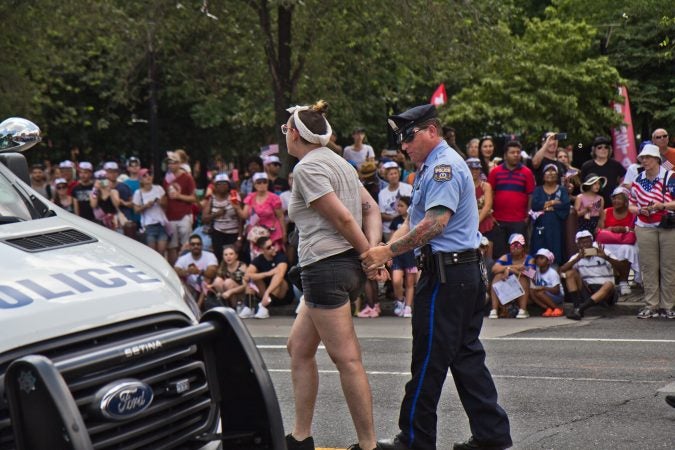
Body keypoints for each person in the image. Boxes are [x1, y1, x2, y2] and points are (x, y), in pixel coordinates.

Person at [362, 104, 511, 450]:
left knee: (428, 360)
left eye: (408, 138)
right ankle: (492, 435)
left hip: (448, 276)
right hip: (461, 273)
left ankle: (414, 439)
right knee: (465, 356)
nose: (404, 147)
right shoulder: (432, 166)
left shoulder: (442, 166)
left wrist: (387, 252)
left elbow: (435, 223)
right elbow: (413, 223)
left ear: (431, 131)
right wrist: (388, 248)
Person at [283, 100, 384, 450]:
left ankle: (368, 445)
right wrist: (370, 251)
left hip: (326, 267)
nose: (285, 135)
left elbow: (343, 218)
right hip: (341, 267)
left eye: (286, 130)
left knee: (347, 359)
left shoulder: (308, 168)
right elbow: (371, 209)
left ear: (295, 133)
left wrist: (369, 254)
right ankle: (299, 437)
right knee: (298, 347)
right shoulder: (340, 163)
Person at [628, 144, 675, 319]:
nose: (644, 160)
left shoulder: (671, 177)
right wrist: (639, 210)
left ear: (656, 159)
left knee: (669, 266)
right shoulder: (638, 179)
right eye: (642, 158)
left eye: (648, 157)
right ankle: (652, 304)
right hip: (644, 226)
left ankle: (668, 305)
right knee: (648, 267)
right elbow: (631, 204)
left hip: (668, 226)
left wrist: (663, 205)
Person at [488, 140, 536, 259]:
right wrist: (491, 215)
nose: (516, 155)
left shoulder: (527, 172)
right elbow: (489, 194)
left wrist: (527, 217)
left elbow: (531, 195)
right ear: (505, 155)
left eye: (518, 152)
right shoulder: (495, 172)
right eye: (512, 152)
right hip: (498, 221)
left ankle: (520, 277)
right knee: (499, 255)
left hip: (519, 221)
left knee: (519, 255)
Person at [559, 230, 622, 320]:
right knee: (570, 273)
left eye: (588, 242)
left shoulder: (603, 252)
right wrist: (577, 259)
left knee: (608, 284)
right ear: (578, 245)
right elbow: (561, 270)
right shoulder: (577, 257)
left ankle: (581, 309)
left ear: (592, 243)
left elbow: (621, 267)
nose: (586, 245)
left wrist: (606, 258)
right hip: (588, 290)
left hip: (607, 293)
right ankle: (576, 307)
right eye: (582, 243)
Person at [596, 186, 637, 296]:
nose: (616, 201)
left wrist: (624, 229)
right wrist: (609, 230)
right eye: (614, 198)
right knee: (598, 248)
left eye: (619, 198)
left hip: (625, 242)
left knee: (627, 249)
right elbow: (599, 230)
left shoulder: (632, 213)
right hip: (608, 242)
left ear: (626, 201)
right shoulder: (606, 211)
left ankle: (624, 281)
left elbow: (636, 229)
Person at [241, 236, 294, 319]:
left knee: (278, 277)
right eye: (269, 247)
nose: (273, 248)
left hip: (283, 295)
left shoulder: (281, 257)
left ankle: (264, 307)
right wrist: (267, 274)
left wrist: (267, 293)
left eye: (273, 244)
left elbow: (280, 274)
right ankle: (249, 306)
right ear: (262, 250)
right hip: (265, 295)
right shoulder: (258, 260)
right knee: (251, 279)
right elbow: (247, 276)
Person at [530, 164, 570, 265]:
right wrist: (554, 203)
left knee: (556, 248)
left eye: (553, 171)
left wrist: (549, 204)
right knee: (538, 247)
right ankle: (537, 273)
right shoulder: (538, 190)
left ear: (557, 175)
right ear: (543, 175)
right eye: (547, 171)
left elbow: (565, 205)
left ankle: (555, 273)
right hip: (541, 225)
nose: (550, 174)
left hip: (556, 226)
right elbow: (535, 205)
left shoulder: (562, 190)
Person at [488, 233, 535, 320]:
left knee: (522, 278)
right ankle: (494, 310)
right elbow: (494, 269)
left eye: (518, 245)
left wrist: (513, 270)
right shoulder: (506, 257)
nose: (515, 248)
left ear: (523, 247)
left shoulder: (529, 259)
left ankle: (523, 309)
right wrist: (511, 268)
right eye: (513, 245)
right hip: (508, 292)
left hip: (528, 293)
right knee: (497, 276)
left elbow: (531, 274)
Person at [237, 171, 286, 252]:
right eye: (259, 182)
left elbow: (280, 216)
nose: (262, 184)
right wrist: (237, 207)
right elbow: (244, 215)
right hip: (256, 234)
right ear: (254, 184)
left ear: (268, 183)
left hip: (272, 233)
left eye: (264, 182)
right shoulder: (250, 197)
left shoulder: (274, 198)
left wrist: (284, 233)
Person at [164, 151, 197, 266]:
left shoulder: (187, 178)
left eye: (174, 163)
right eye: (169, 163)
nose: (171, 165)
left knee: (186, 244)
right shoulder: (167, 179)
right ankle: (175, 270)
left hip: (184, 215)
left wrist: (179, 196)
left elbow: (194, 198)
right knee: (172, 246)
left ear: (179, 164)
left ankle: (185, 268)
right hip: (170, 216)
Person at [201, 173, 242, 264]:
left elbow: (240, 219)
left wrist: (240, 238)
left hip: (233, 234)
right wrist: (216, 215)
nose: (222, 186)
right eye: (219, 184)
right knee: (219, 258)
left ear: (228, 185)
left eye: (225, 183)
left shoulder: (234, 197)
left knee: (233, 258)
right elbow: (204, 218)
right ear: (215, 186)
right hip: (218, 233)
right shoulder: (211, 199)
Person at [389, 196, 416, 318]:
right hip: (398, 255)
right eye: (397, 206)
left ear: (409, 207)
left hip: (411, 254)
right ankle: (400, 301)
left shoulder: (415, 220)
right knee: (396, 280)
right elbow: (392, 238)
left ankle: (408, 307)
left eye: (402, 206)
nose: (399, 208)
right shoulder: (395, 221)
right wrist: (388, 254)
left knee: (410, 282)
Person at [580, 136, 626, 206]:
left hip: (612, 203)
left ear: (609, 149)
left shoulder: (615, 164)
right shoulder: (586, 166)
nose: (603, 149)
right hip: (592, 205)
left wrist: (619, 189)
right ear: (594, 150)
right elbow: (582, 186)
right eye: (599, 147)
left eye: (606, 147)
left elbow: (625, 177)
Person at [132, 168, 169, 255]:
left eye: (149, 174)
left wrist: (160, 202)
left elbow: (166, 204)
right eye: (144, 175)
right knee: (152, 253)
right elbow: (136, 210)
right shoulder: (138, 193)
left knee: (162, 251)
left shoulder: (159, 188)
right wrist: (146, 206)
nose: (148, 176)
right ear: (141, 180)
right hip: (148, 226)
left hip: (161, 224)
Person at [174, 234, 218, 298]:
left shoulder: (210, 256)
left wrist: (199, 272)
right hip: (190, 287)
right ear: (189, 246)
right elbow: (175, 270)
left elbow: (212, 272)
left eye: (198, 244)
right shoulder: (183, 258)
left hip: (208, 288)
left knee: (207, 279)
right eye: (193, 244)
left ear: (202, 245)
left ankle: (198, 305)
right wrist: (188, 271)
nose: (196, 246)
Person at [467, 157, 495, 257]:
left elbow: (487, 206)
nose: (474, 171)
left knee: (488, 257)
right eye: (471, 169)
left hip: (485, 225)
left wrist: (475, 223)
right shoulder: (463, 187)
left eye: (477, 168)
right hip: (468, 225)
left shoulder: (486, 186)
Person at [378, 161, 413, 242]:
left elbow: (414, 206)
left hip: (409, 227)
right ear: (386, 176)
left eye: (395, 173)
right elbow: (382, 214)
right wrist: (395, 217)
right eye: (391, 174)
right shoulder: (382, 193)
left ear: (399, 174)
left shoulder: (408, 188)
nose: (394, 176)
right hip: (389, 230)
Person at [530, 248, 564, 317]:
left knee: (540, 292)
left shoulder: (552, 273)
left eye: (542, 258)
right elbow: (526, 274)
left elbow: (556, 290)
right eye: (537, 258)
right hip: (543, 295)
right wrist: (531, 264)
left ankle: (557, 308)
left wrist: (543, 288)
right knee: (532, 291)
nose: (538, 260)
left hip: (557, 296)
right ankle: (548, 308)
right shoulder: (536, 270)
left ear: (548, 261)